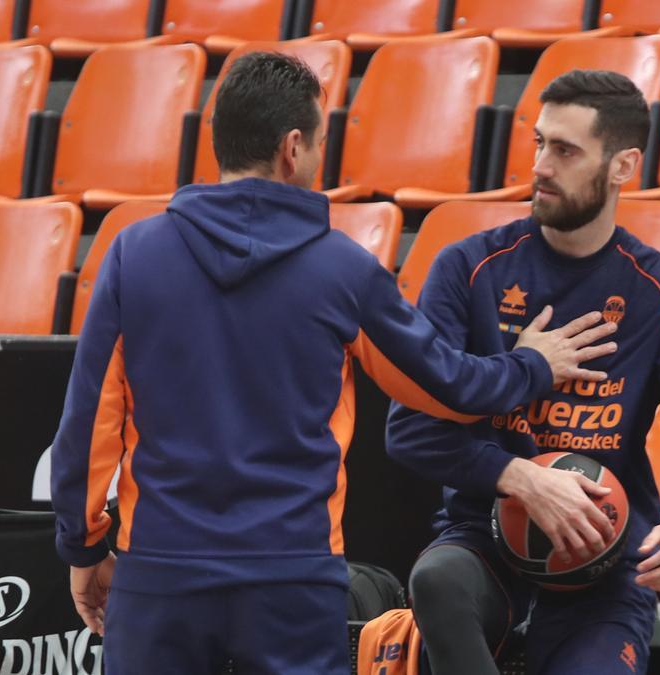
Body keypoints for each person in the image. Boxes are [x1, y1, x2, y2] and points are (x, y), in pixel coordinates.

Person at [49, 52, 620, 675]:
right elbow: (450, 387)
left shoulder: (133, 254)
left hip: (158, 574)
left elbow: (86, 429)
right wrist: (532, 365)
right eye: (320, 142)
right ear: (293, 148)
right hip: (291, 579)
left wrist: (83, 548)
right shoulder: (343, 269)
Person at [386, 69, 660, 675]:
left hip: (603, 560)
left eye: (566, 150)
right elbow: (409, 431)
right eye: (540, 143)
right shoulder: (469, 269)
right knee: (436, 578)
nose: (543, 166)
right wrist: (520, 477)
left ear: (623, 166)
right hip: (485, 539)